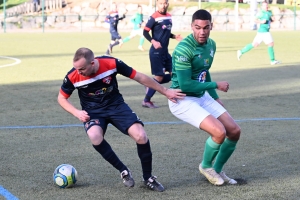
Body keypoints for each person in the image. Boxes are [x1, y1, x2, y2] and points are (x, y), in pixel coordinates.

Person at [57, 47, 185, 191]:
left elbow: (139, 77)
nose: (78, 72)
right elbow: (62, 98)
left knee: (141, 136)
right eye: (76, 69)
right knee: (94, 136)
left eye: (82, 69)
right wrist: (76, 112)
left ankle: (148, 178)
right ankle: (123, 171)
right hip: (93, 111)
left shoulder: (111, 63)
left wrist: (166, 91)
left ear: (92, 63)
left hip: (116, 106)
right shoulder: (73, 76)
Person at [168, 9, 241, 186]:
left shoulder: (211, 45)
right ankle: (206, 166)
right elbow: (185, 85)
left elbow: (204, 72)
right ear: (191, 26)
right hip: (182, 99)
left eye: (206, 28)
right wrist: (216, 85)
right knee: (219, 132)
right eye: (198, 27)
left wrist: (214, 97)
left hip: (202, 95)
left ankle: (217, 169)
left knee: (234, 131)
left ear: (211, 27)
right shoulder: (183, 49)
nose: (202, 32)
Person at [142, 0, 182, 108]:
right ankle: (146, 100)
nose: (163, 5)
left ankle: (150, 84)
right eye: (160, 3)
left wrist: (174, 37)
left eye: (165, 3)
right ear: (157, 4)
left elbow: (165, 32)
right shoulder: (154, 16)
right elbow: (145, 32)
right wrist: (153, 41)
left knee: (175, 74)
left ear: (167, 4)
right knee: (159, 77)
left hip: (165, 52)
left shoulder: (169, 16)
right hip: (156, 52)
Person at [237, 1, 280, 65]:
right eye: (265, 5)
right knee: (270, 44)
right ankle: (272, 60)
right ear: (262, 6)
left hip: (264, 31)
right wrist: (261, 22)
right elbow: (254, 19)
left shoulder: (269, 12)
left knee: (255, 44)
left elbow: (271, 20)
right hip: (263, 31)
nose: (266, 6)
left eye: (267, 5)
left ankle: (241, 51)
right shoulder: (261, 13)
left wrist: (272, 19)